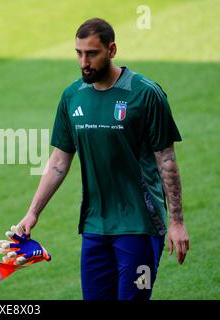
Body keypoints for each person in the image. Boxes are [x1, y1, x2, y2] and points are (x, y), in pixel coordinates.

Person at [18, 18, 189, 300]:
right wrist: (33, 212)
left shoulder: (145, 94)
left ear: (111, 50)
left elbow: (166, 160)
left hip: (140, 225)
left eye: (92, 53)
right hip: (95, 227)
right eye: (79, 53)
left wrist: (178, 222)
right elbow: (59, 161)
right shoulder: (73, 96)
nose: (84, 62)